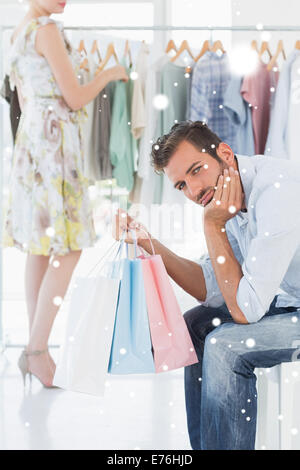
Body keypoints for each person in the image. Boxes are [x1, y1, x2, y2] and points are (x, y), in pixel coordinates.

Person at [113, 120, 300, 450]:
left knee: (225, 346)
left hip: (290, 306)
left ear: (225, 154)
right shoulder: (231, 199)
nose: (194, 190)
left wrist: (213, 226)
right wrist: (147, 242)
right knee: (195, 325)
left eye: (196, 170)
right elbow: (210, 286)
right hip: (291, 301)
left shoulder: (276, 192)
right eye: (182, 185)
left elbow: (246, 310)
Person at [3, 0, 128, 388]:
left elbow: (23, 99)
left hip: (34, 141)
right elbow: (73, 97)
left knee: (42, 248)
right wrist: (109, 73)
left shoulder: (19, 33)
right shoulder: (47, 30)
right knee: (69, 247)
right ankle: (37, 350)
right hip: (55, 141)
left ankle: (37, 349)